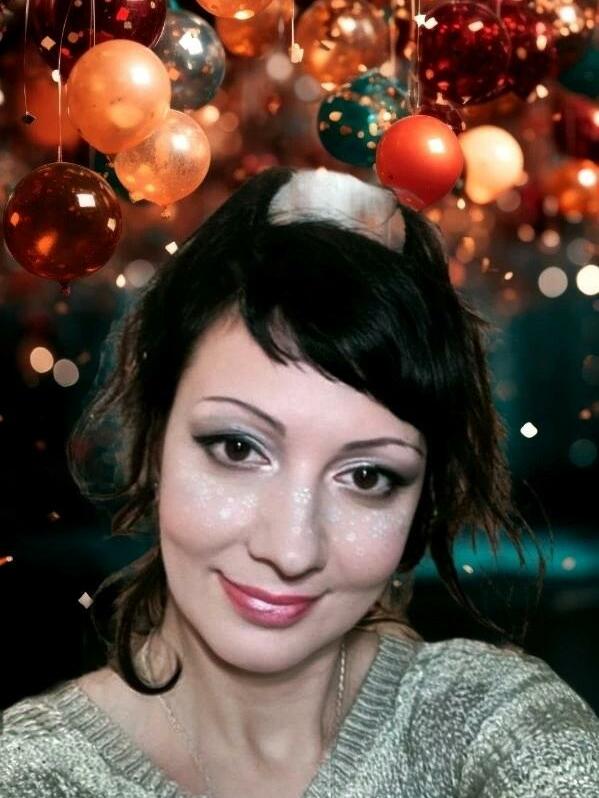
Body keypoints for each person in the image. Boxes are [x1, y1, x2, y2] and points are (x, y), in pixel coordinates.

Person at [1, 166, 598, 798]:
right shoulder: (34, 774)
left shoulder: (492, 725)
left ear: (421, 504)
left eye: (367, 476)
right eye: (237, 448)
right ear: (153, 441)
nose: (291, 550)